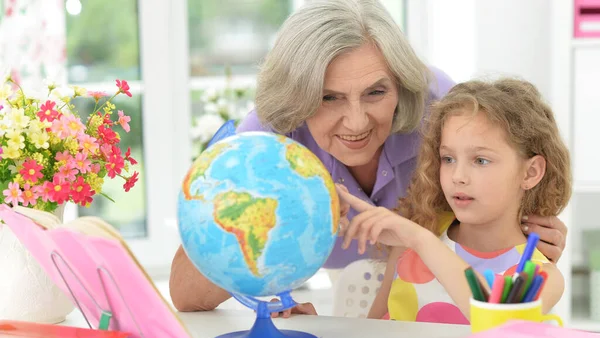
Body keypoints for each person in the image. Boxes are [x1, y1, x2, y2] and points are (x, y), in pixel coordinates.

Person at [169, 0, 568, 315]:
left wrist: (530, 227)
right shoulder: (266, 140)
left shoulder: (437, 107)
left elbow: (503, 188)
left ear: (400, 84)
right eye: (329, 97)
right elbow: (188, 297)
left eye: (376, 93)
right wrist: (271, 296)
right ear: (297, 97)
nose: (357, 122)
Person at [336, 78, 570, 322]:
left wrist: (418, 239)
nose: (458, 177)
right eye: (448, 158)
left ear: (530, 172)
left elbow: (496, 320)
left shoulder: (541, 276)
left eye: (480, 160)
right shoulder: (411, 243)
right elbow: (371, 335)